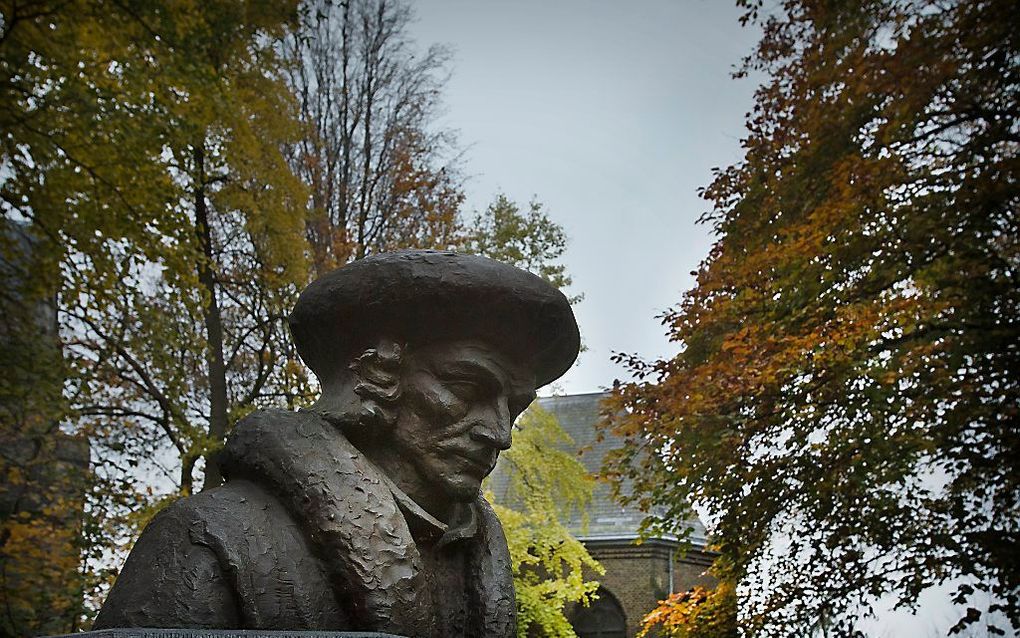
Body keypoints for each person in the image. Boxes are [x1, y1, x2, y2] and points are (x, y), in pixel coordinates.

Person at [94, 250, 580, 638]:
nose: (500, 433)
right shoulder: (214, 536)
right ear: (377, 375)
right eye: (467, 389)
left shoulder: (476, 558)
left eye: (513, 408)